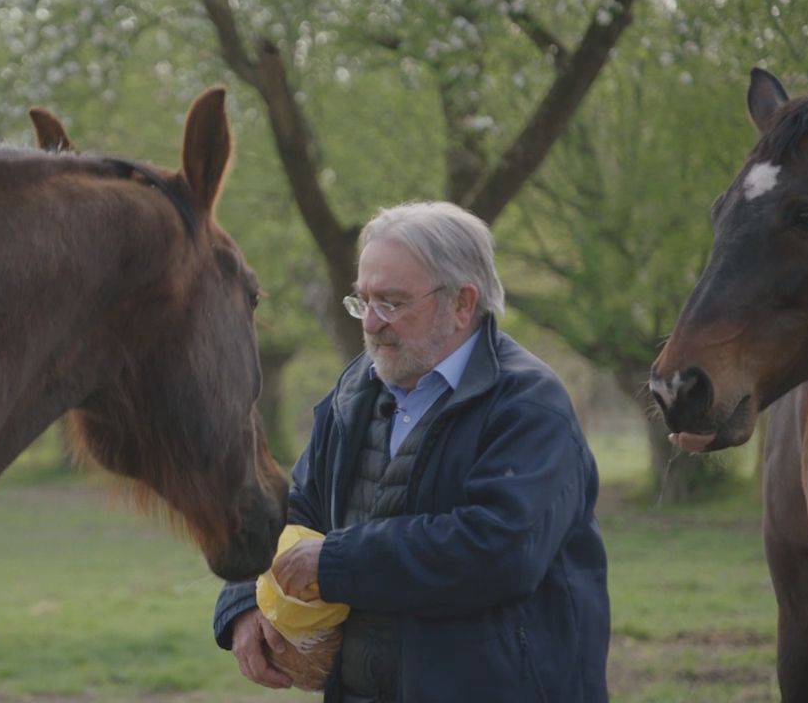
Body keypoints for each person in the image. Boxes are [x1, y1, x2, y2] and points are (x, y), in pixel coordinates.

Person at [212, 201, 610, 702]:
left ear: (463, 303)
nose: (372, 324)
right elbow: (300, 510)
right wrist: (243, 600)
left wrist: (336, 562)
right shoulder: (354, 389)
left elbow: (499, 551)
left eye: (393, 303)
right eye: (364, 301)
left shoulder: (527, 405)